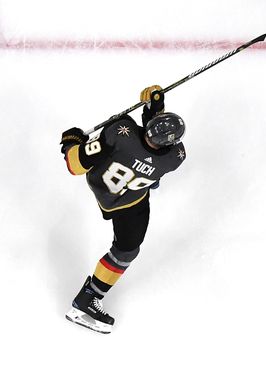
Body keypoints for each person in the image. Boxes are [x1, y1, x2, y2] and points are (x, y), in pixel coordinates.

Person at [60, 85, 187, 333]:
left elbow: (74, 166)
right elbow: (155, 149)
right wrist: (156, 109)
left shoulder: (120, 131)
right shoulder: (175, 158)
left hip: (101, 186)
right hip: (131, 200)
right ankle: (87, 299)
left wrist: (70, 143)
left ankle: (85, 302)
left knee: (127, 249)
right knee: (126, 251)